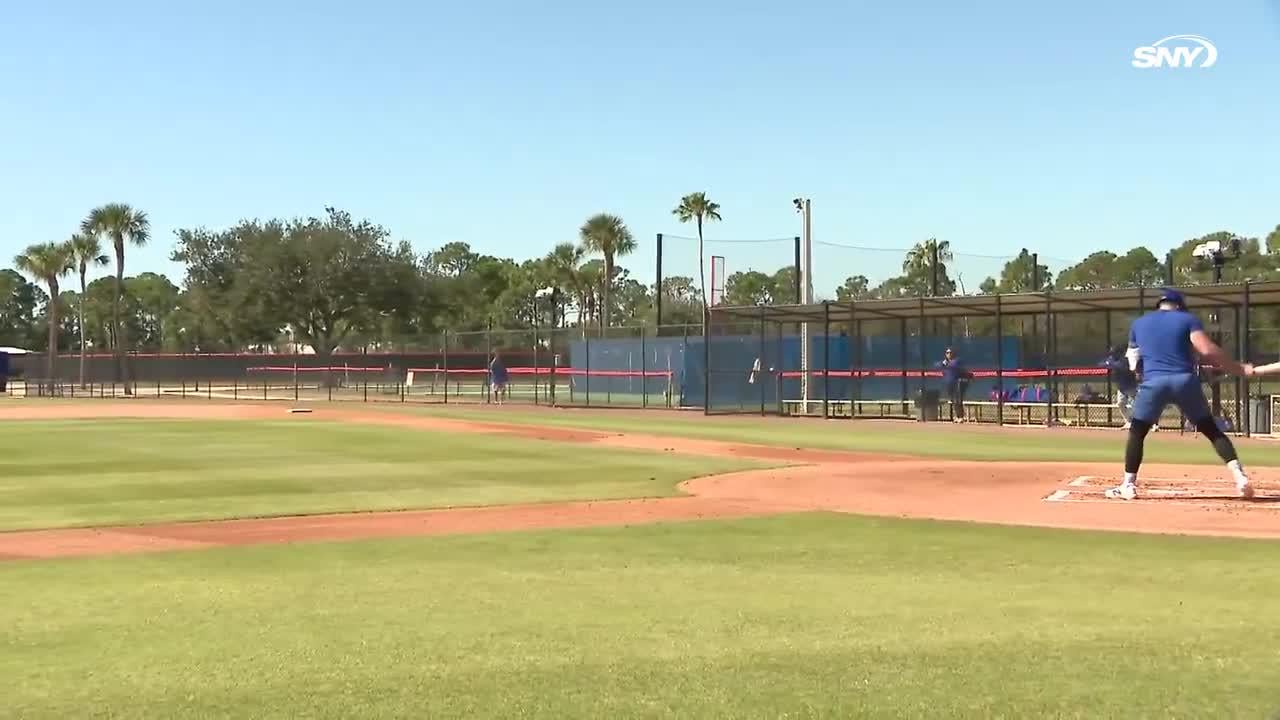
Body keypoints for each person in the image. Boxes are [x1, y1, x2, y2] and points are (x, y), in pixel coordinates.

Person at [1105, 289, 1253, 500]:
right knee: (1210, 429)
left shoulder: (1140, 323)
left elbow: (1133, 361)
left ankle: (1128, 485)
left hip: (1153, 382)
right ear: (1179, 305)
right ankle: (1240, 477)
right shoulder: (1187, 319)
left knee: (1137, 432)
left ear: (1159, 304)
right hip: (1184, 381)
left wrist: (1142, 372)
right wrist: (1237, 368)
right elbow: (1207, 349)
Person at [1100, 344, 1139, 429]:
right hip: (1121, 387)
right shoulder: (1113, 359)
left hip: (1130, 386)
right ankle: (1129, 421)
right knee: (1120, 403)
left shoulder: (1125, 360)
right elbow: (1101, 364)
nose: (1112, 355)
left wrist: (1111, 363)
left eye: (1114, 353)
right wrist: (1109, 362)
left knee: (1136, 405)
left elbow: (1121, 366)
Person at [936, 347, 972, 423]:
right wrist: (943, 363)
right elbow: (937, 366)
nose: (949, 354)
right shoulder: (945, 362)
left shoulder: (956, 361)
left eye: (950, 353)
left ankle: (961, 417)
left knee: (958, 400)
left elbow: (953, 366)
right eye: (947, 353)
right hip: (949, 384)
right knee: (953, 401)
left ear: (953, 354)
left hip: (957, 383)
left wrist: (946, 364)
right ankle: (957, 416)